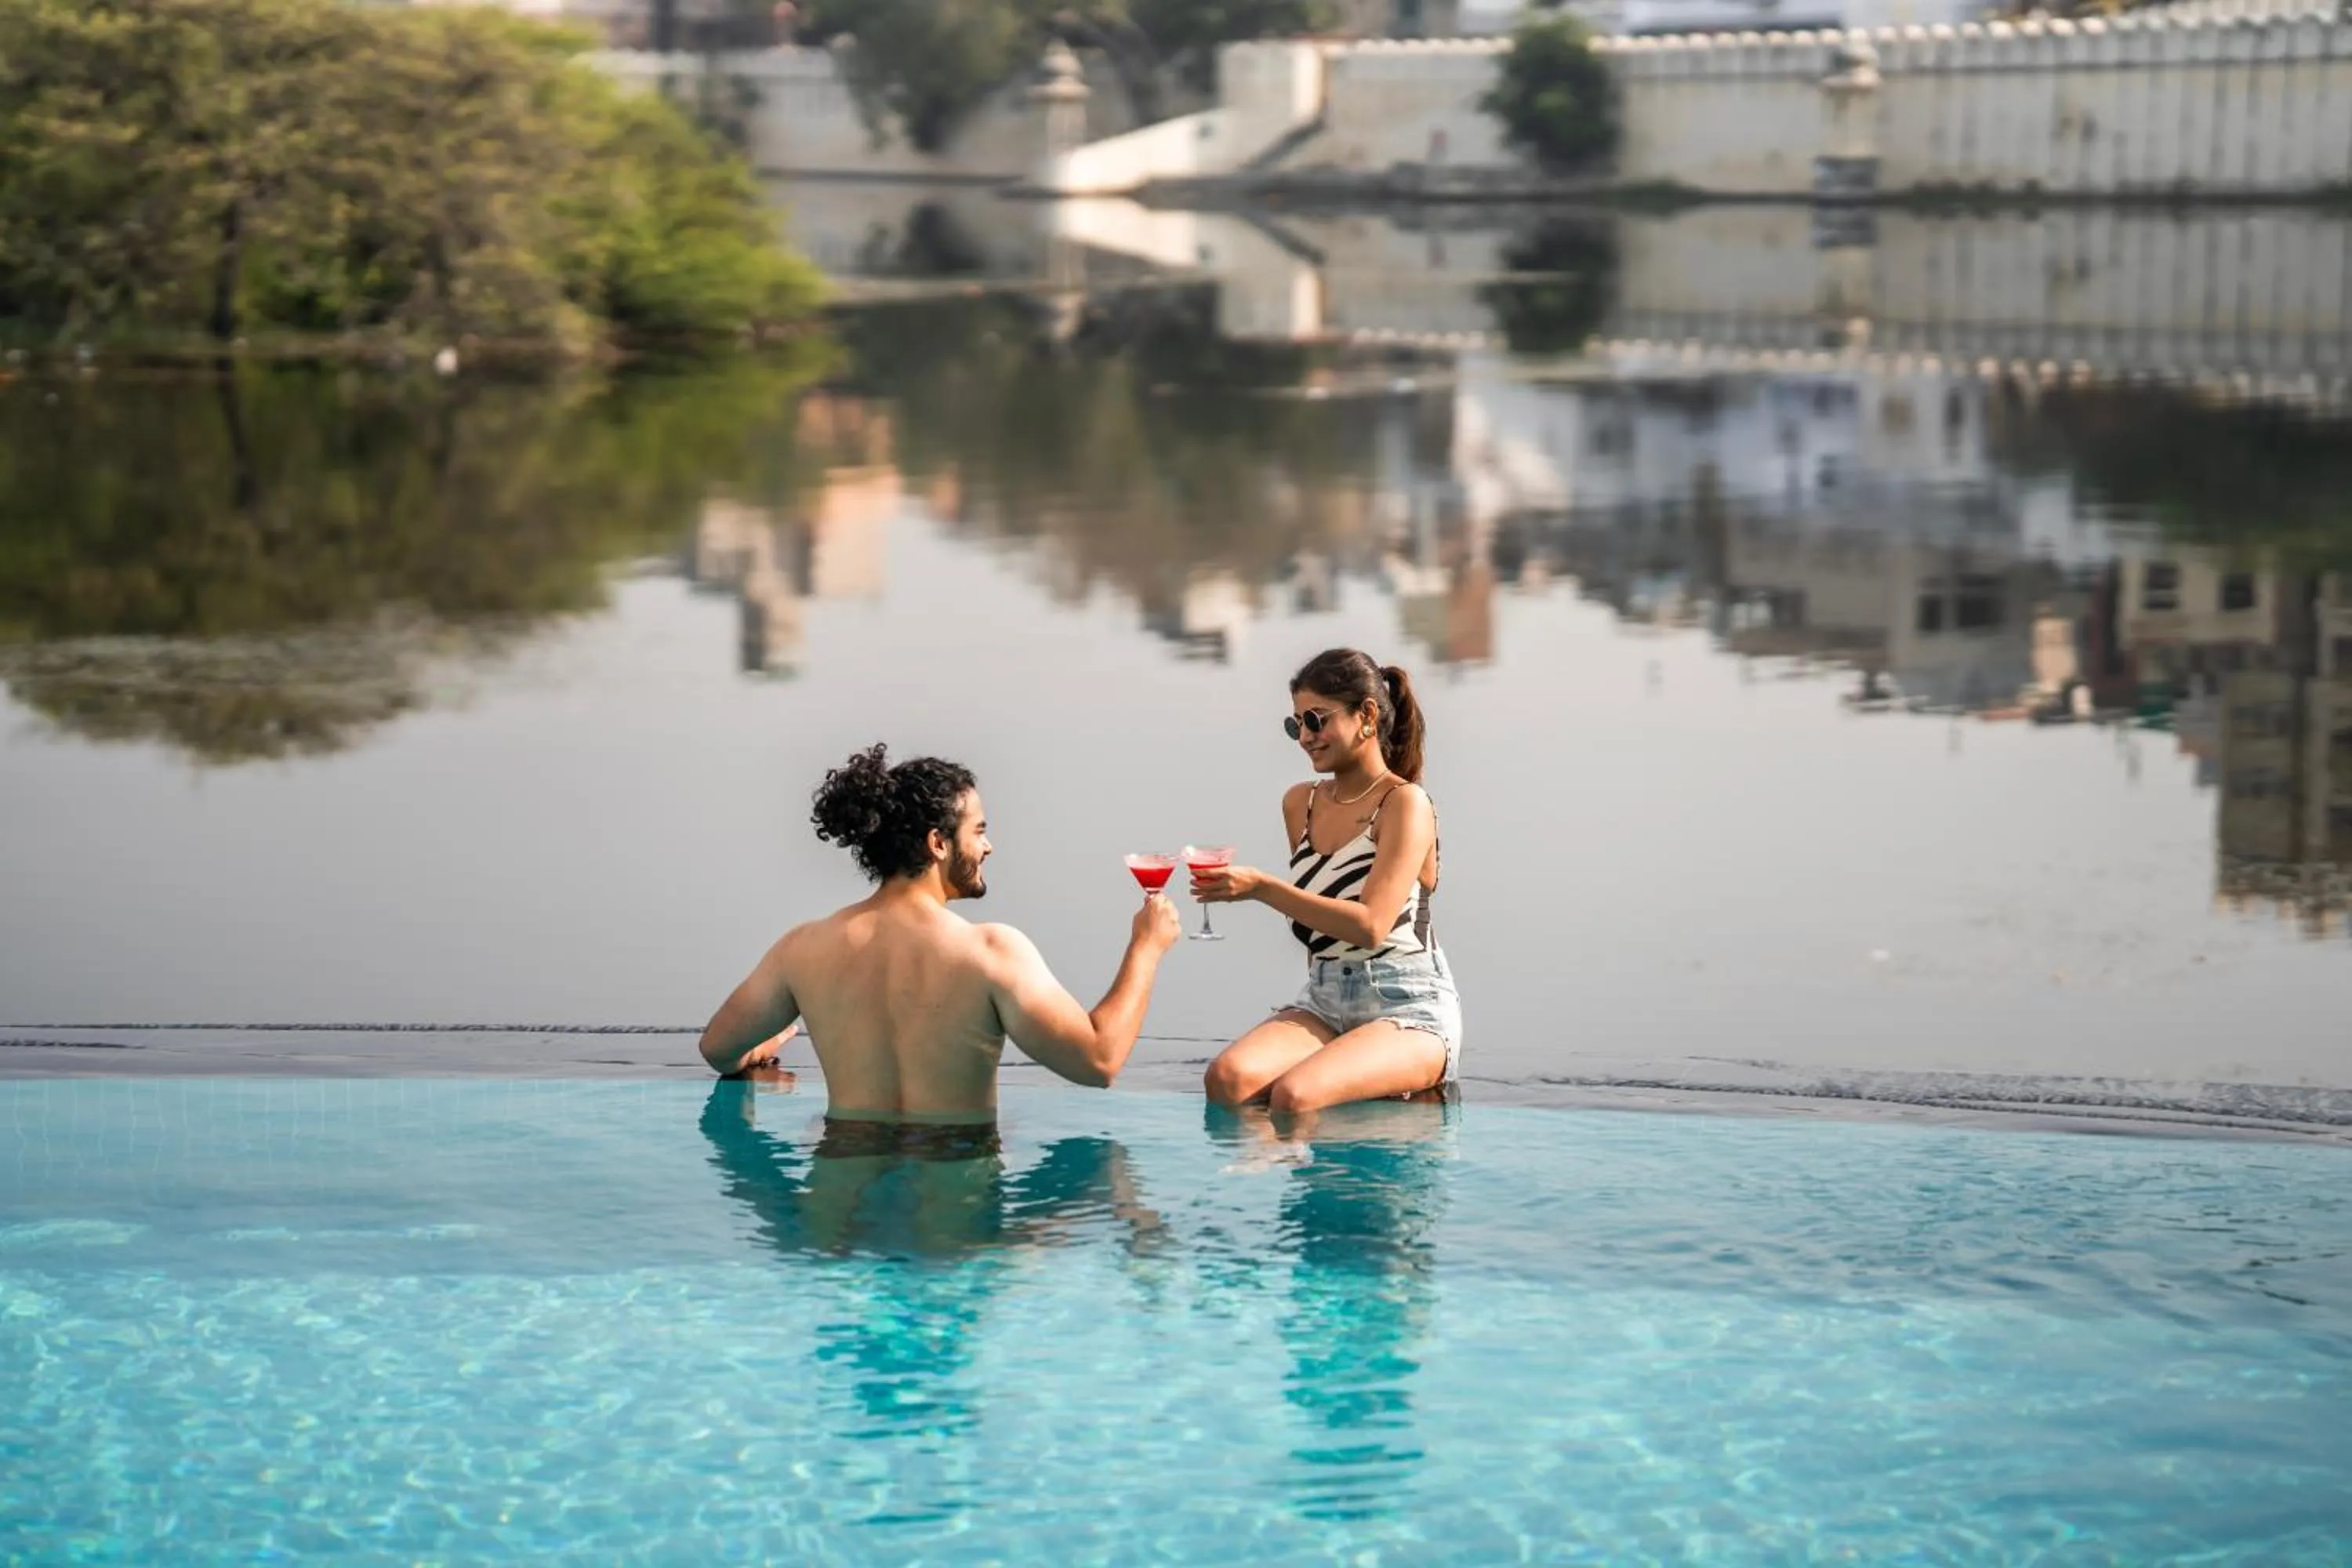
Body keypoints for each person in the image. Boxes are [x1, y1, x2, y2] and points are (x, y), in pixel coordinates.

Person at [697, 745, 1181, 1122]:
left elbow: (716, 1049)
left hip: (842, 1201)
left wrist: (754, 1050)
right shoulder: (991, 952)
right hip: (954, 1199)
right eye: (979, 831)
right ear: (938, 843)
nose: (989, 847)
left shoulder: (802, 948)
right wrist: (1147, 946)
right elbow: (1100, 1062)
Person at [1195, 648, 1462, 1112]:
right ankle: (1286, 1160)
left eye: (1316, 720)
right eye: (1296, 724)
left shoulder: (1405, 803)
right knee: (1227, 1080)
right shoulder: (1300, 803)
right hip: (1324, 999)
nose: (1305, 737)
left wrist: (1262, 888)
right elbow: (1319, 923)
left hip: (1408, 1006)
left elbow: (1371, 926)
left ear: (1367, 716)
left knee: (1296, 1094)